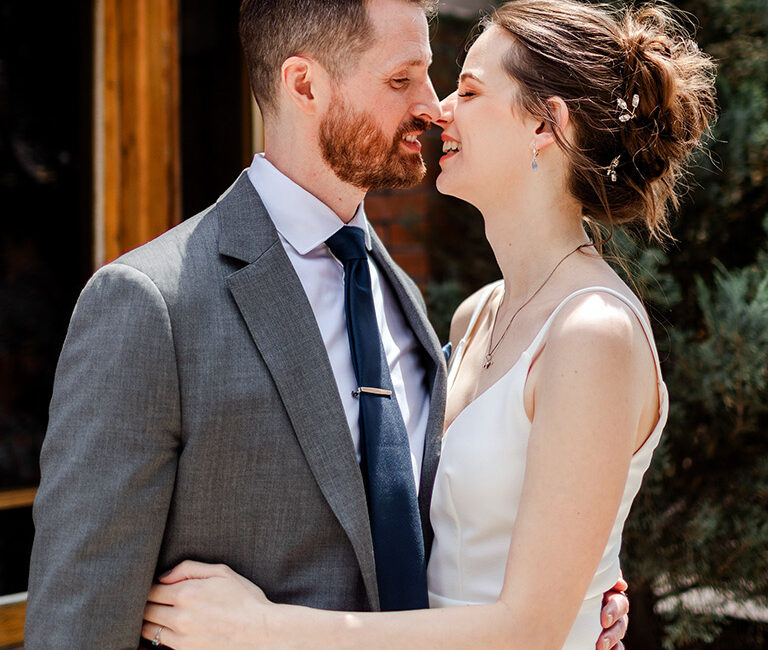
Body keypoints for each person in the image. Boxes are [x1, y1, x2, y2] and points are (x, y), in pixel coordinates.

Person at [26, 0, 628, 648]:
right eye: (402, 80)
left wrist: (584, 592)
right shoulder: (149, 306)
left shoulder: (403, 301)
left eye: (433, 76)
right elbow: (76, 622)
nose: (432, 106)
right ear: (304, 85)